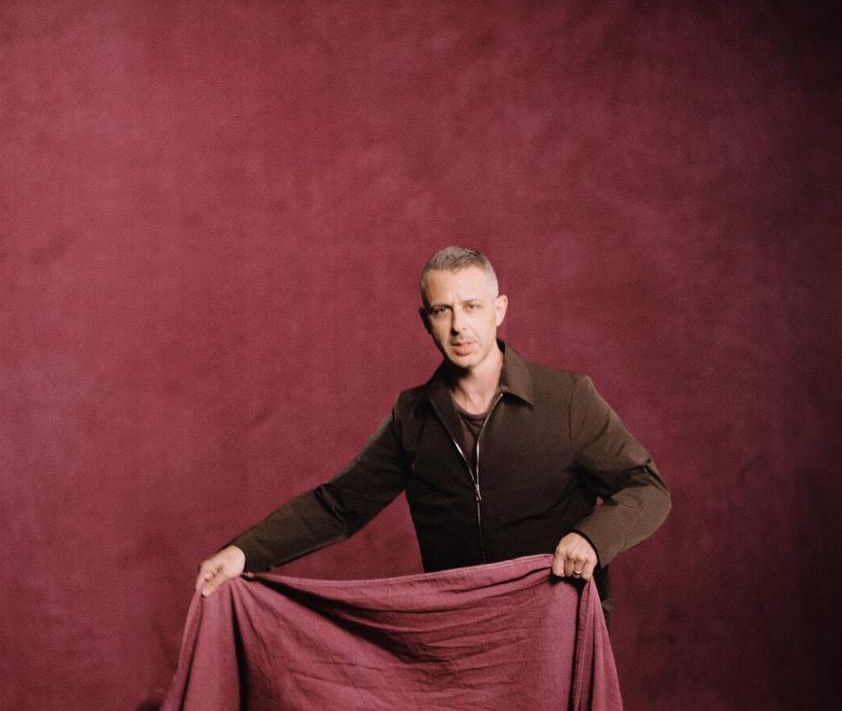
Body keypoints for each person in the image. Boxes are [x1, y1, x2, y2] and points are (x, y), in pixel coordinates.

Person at [196, 247, 671, 621]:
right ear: (426, 321)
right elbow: (339, 506)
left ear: (499, 309)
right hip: (458, 631)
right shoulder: (413, 417)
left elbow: (647, 488)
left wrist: (591, 539)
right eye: (442, 310)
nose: (459, 325)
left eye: (471, 306)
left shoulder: (567, 398)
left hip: (557, 625)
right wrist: (243, 552)